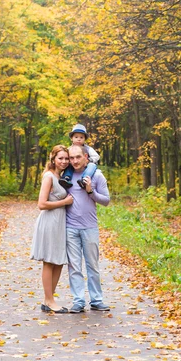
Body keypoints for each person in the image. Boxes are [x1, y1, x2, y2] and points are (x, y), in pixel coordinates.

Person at [65, 144, 111, 313]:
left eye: (78, 157)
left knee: (92, 265)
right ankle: (78, 301)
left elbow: (106, 201)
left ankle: (97, 300)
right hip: (70, 227)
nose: (75, 161)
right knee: (74, 267)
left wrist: (91, 191)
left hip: (90, 227)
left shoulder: (96, 175)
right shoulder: (66, 176)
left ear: (86, 157)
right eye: (72, 158)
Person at [30, 145, 74, 313]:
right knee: (49, 261)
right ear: (53, 159)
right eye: (60, 158)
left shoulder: (61, 176)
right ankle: (49, 301)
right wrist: (64, 202)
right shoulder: (49, 176)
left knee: (59, 261)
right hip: (49, 222)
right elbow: (41, 204)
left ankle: (48, 299)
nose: (64, 161)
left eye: (66, 158)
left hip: (59, 223)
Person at [58, 124, 100, 190]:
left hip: (87, 165)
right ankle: (66, 178)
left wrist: (88, 160)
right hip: (74, 165)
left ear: (84, 139)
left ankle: (84, 180)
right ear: (72, 138)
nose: (79, 139)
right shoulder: (69, 149)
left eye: (81, 137)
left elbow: (96, 156)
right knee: (69, 166)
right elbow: (65, 157)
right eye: (76, 137)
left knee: (92, 166)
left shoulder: (88, 149)